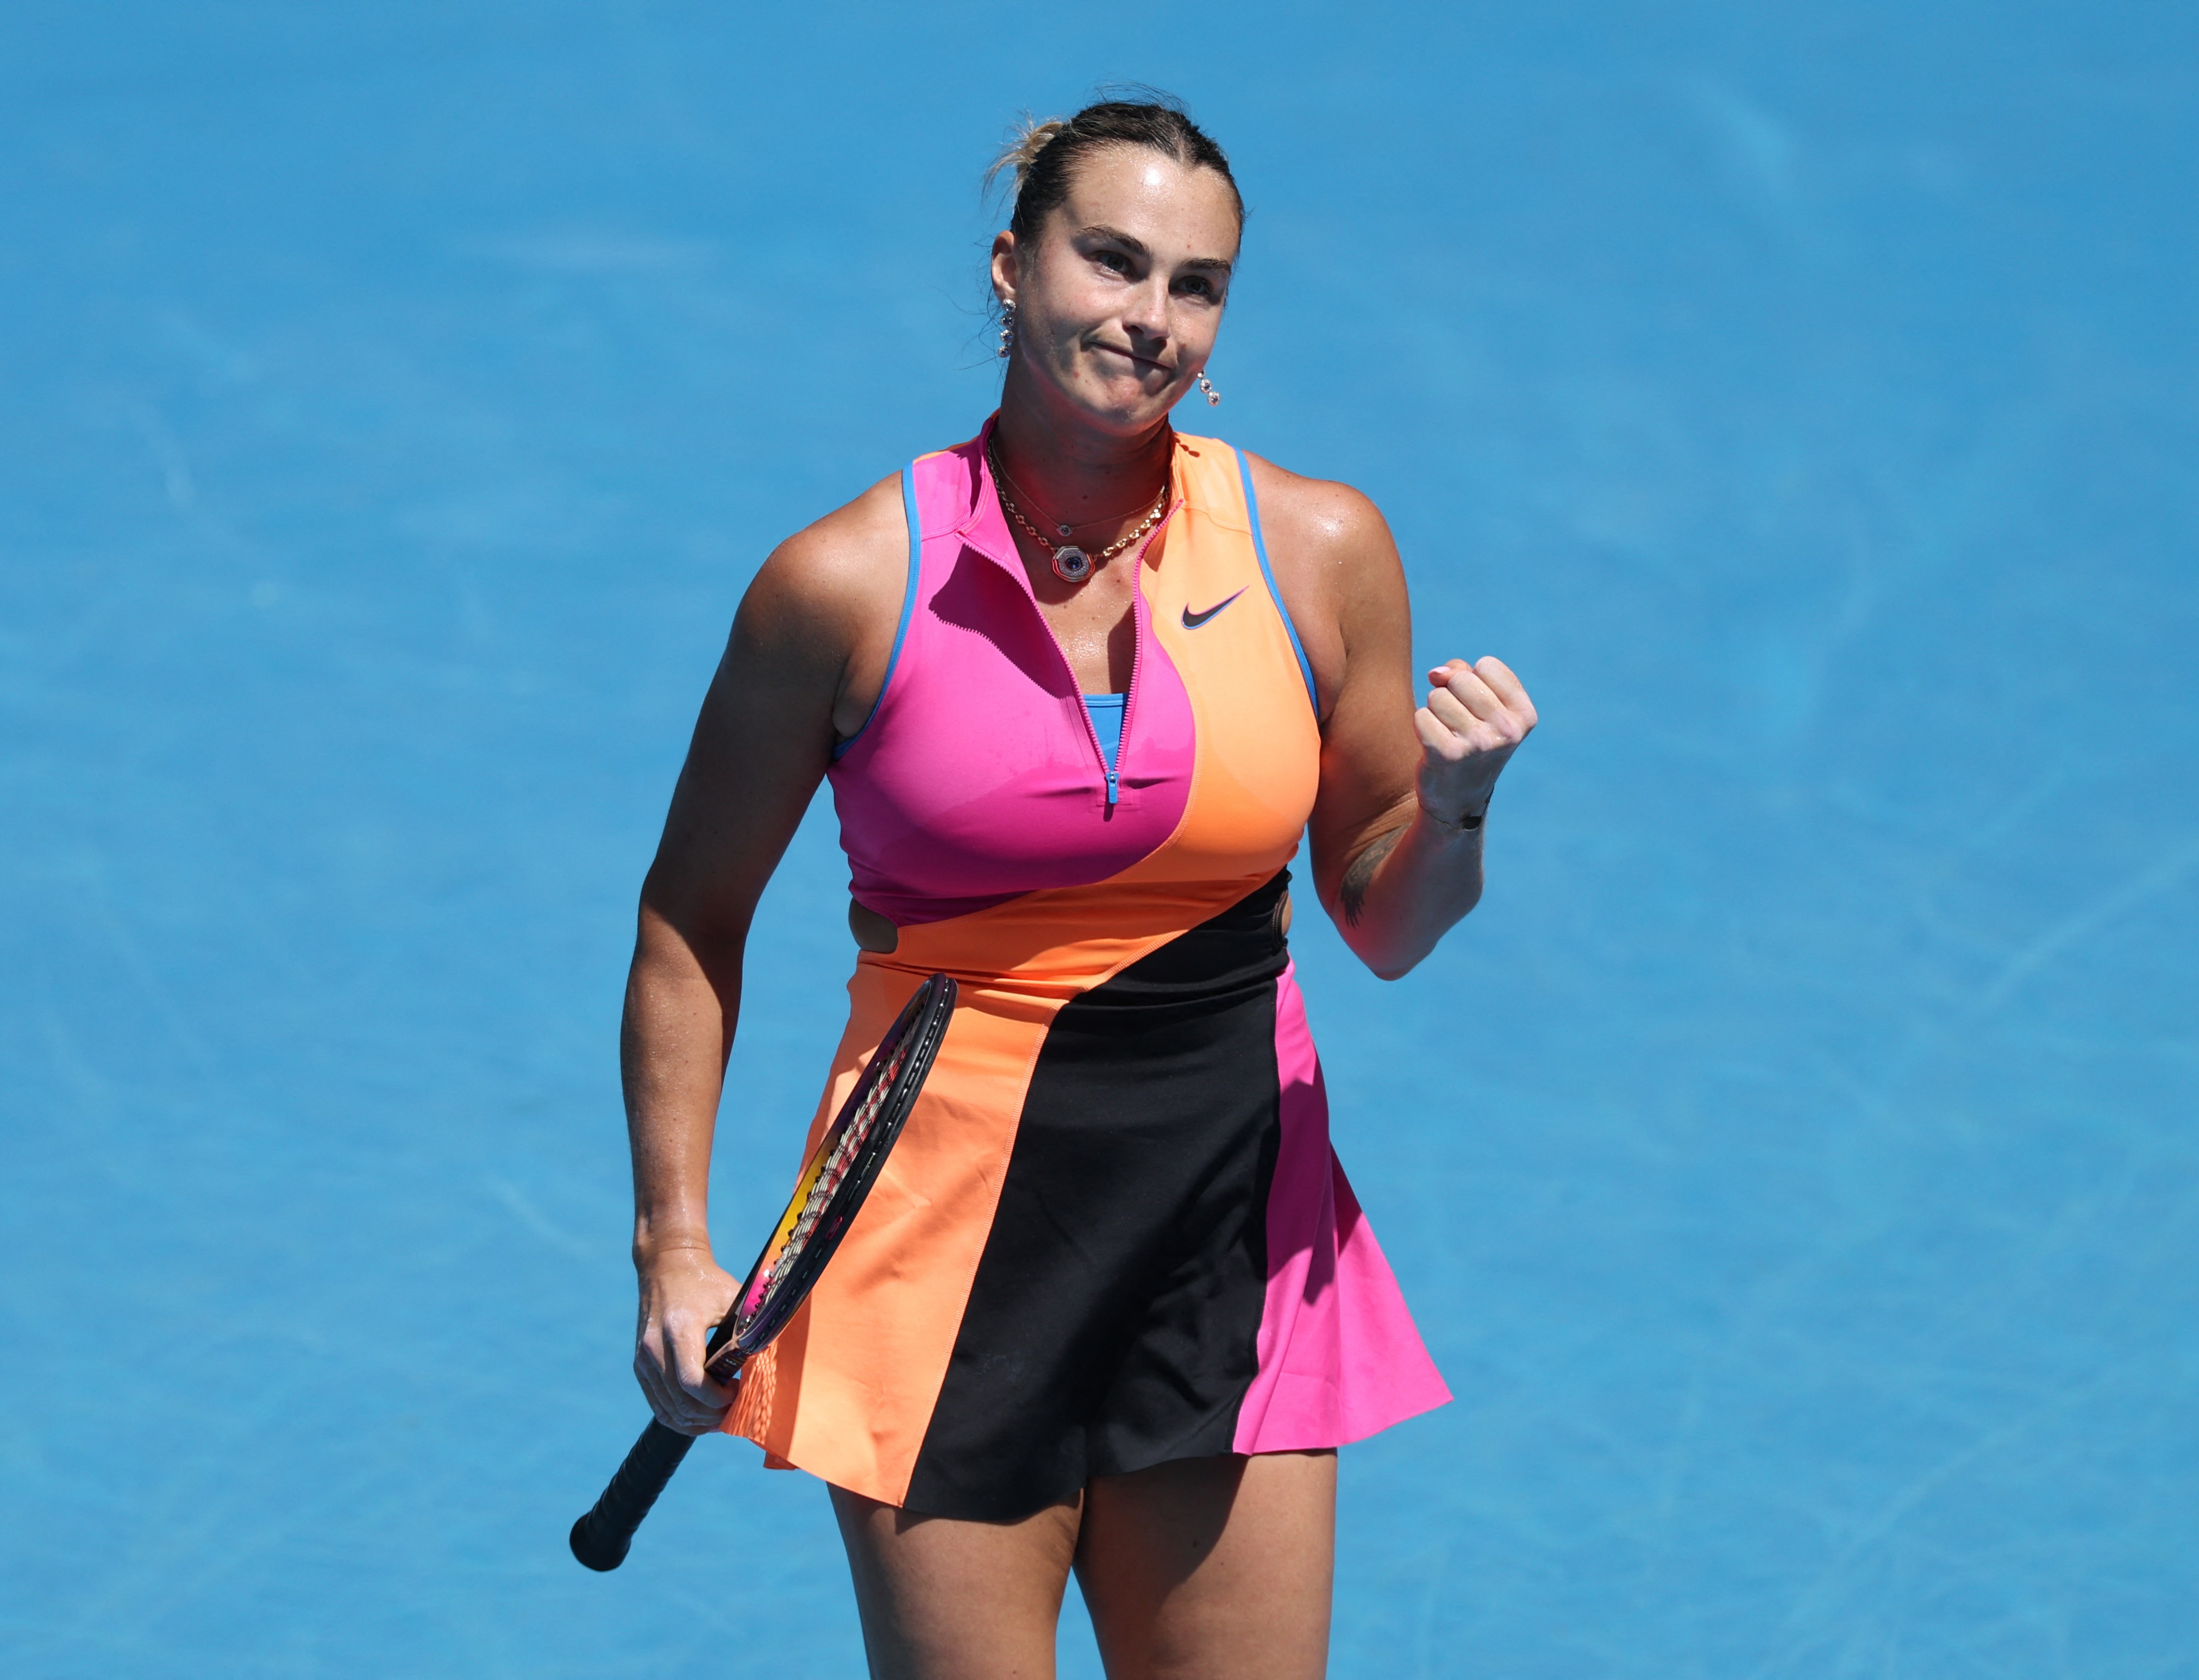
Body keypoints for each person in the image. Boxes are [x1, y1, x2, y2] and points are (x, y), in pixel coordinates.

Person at [619, 96, 1537, 1680]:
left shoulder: (1321, 551)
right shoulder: (842, 585)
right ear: (1008, 265)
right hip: (933, 1253)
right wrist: (675, 1249)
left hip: (1231, 1243)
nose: (1153, 318)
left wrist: (1451, 814)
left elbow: (1384, 922)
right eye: (1112, 261)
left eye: (1198, 284)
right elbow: (690, 921)